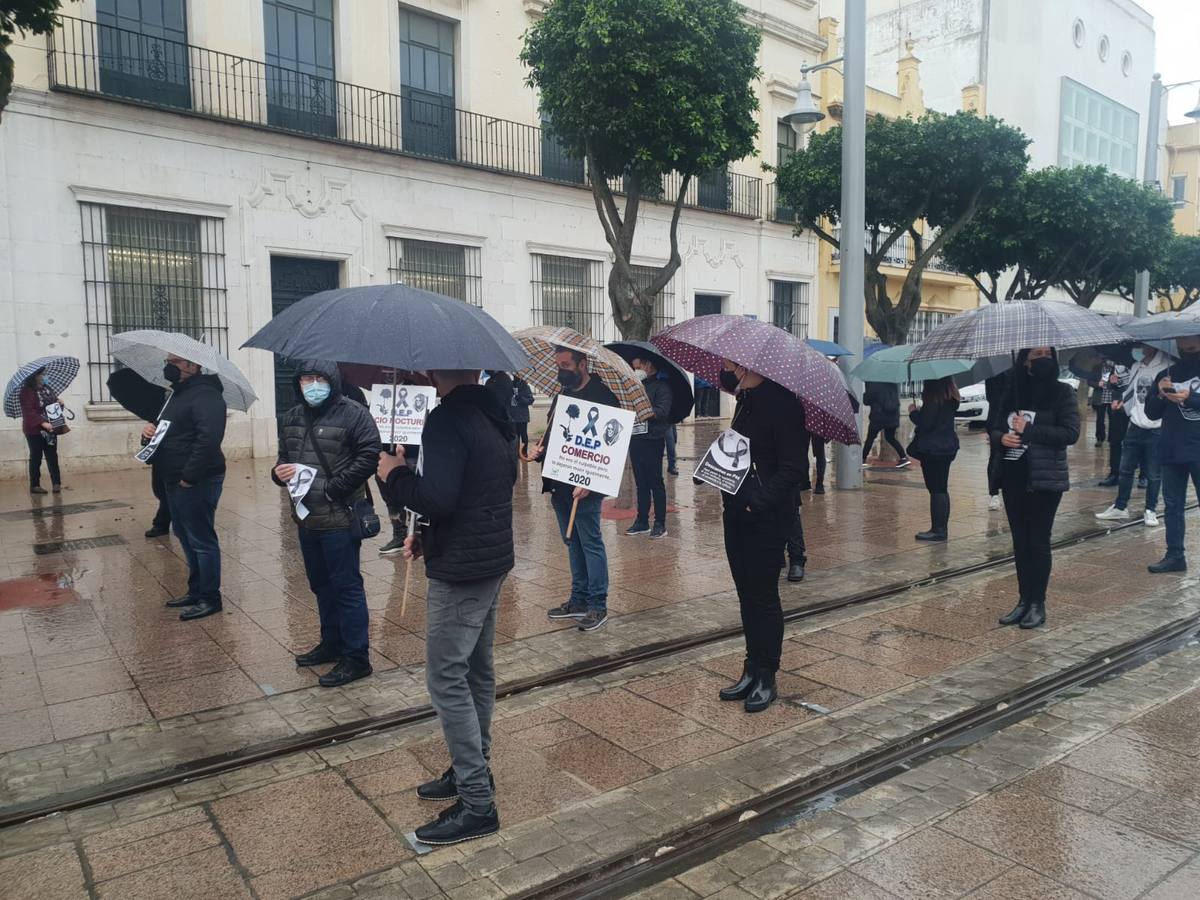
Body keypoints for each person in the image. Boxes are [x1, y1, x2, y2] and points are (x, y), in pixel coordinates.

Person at [377, 369, 517, 846]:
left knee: (446, 676)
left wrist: (393, 476)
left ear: (436, 369)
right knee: (477, 670)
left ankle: (478, 804)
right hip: (490, 557)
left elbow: (438, 496)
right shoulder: (497, 412)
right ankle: (470, 770)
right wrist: (429, 533)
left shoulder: (446, 418)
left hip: (462, 569)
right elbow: (481, 489)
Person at [272, 362, 381, 688]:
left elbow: (369, 454)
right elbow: (283, 457)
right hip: (307, 517)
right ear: (299, 382)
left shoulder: (353, 413)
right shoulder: (291, 416)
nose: (313, 384)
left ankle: (356, 656)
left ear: (332, 381)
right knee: (321, 585)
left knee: (346, 587)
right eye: (307, 379)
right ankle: (331, 642)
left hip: (339, 517)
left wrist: (335, 488)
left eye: (320, 379)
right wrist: (277, 473)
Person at [715, 360, 807, 713]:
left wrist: (758, 502)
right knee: (746, 594)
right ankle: (751, 668)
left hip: (766, 516)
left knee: (764, 596)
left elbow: (793, 469)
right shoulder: (746, 400)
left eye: (730, 364)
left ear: (748, 366)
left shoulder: (783, 404)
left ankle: (767, 673)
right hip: (735, 512)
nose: (725, 369)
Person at [529, 348, 618, 633]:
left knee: (590, 541)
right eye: (558, 365)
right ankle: (578, 599)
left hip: (586, 486)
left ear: (583, 364)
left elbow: (612, 446)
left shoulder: (604, 396)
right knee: (571, 541)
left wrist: (590, 482)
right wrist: (540, 451)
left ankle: (597, 604)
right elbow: (555, 436)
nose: (561, 370)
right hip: (559, 482)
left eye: (566, 364)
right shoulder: (561, 395)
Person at [990, 347, 1079, 630]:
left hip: (1044, 478)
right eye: (1035, 354)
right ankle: (1023, 600)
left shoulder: (1062, 392)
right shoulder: (1012, 389)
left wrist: (1030, 429)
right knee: (1020, 541)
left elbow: (1070, 433)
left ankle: (1038, 603)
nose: (1041, 359)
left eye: (1046, 353)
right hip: (1013, 476)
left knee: (1038, 541)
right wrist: (1002, 437)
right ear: (1024, 359)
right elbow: (992, 427)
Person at [145, 353, 227, 621]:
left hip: (196, 479)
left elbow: (209, 438)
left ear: (194, 365)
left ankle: (210, 598)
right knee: (183, 532)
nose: (169, 365)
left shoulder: (206, 394)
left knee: (201, 539)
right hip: (172, 477)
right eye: (167, 360)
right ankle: (196, 590)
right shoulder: (176, 395)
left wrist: (189, 477)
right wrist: (148, 434)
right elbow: (168, 431)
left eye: (176, 361)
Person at [1095, 345, 1169, 527]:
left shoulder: (1167, 367)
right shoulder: (1137, 366)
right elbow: (1131, 392)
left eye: (1144, 345)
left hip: (1156, 428)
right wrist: (1122, 403)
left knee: (1153, 474)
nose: (1140, 348)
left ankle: (1150, 509)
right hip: (1135, 426)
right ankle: (1120, 506)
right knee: (1125, 469)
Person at [1145, 335, 1200, 573]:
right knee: (1172, 506)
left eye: (1191, 345)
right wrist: (1159, 394)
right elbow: (1151, 413)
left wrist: (1192, 398)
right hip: (1172, 449)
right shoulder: (1166, 375)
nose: (1185, 349)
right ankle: (1175, 555)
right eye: (1181, 345)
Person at [907, 376, 960, 542]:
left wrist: (913, 412)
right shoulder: (950, 398)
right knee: (941, 489)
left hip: (933, 449)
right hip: (947, 447)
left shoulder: (934, 400)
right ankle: (940, 528)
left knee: (936, 489)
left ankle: (938, 530)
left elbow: (925, 423)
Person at [626, 356, 673, 538]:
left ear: (649, 365)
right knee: (641, 483)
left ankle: (660, 523)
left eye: (638, 365)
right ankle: (642, 521)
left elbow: (662, 411)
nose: (636, 368)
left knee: (655, 482)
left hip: (653, 439)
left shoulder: (662, 387)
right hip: (636, 438)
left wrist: (644, 410)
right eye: (634, 366)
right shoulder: (637, 386)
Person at [19, 369, 62, 495]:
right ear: (35, 376)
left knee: (52, 456)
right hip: (34, 431)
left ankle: (56, 483)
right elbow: (28, 412)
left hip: (51, 429)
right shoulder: (26, 392)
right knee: (36, 457)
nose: (45, 376)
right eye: (42, 374)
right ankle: (35, 485)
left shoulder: (46, 389)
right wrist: (42, 423)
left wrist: (60, 404)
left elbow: (53, 407)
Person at [1097, 363, 1131, 487]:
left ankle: (1144, 475)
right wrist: (1112, 383)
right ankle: (1114, 474)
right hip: (1117, 407)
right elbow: (1113, 385)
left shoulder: (1139, 365)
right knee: (1115, 441)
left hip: (1138, 406)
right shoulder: (1114, 365)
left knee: (1139, 441)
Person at [862, 381, 909, 468]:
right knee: (890, 438)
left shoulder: (873, 383)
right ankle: (903, 457)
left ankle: (862, 459)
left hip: (878, 416)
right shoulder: (892, 382)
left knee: (870, 438)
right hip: (893, 415)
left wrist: (866, 390)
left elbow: (866, 400)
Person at [984, 372, 1008, 511]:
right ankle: (994, 493)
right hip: (996, 421)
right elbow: (992, 397)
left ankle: (1008, 489)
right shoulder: (993, 374)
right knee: (995, 457)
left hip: (1015, 419)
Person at [511, 374, 535, 457]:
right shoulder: (510, 385)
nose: (515, 377)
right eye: (514, 376)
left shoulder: (525, 386)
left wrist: (521, 398)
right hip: (513, 415)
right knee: (515, 435)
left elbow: (531, 400)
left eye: (517, 376)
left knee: (523, 434)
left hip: (522, 415)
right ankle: (516, 452)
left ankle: (524, 452)